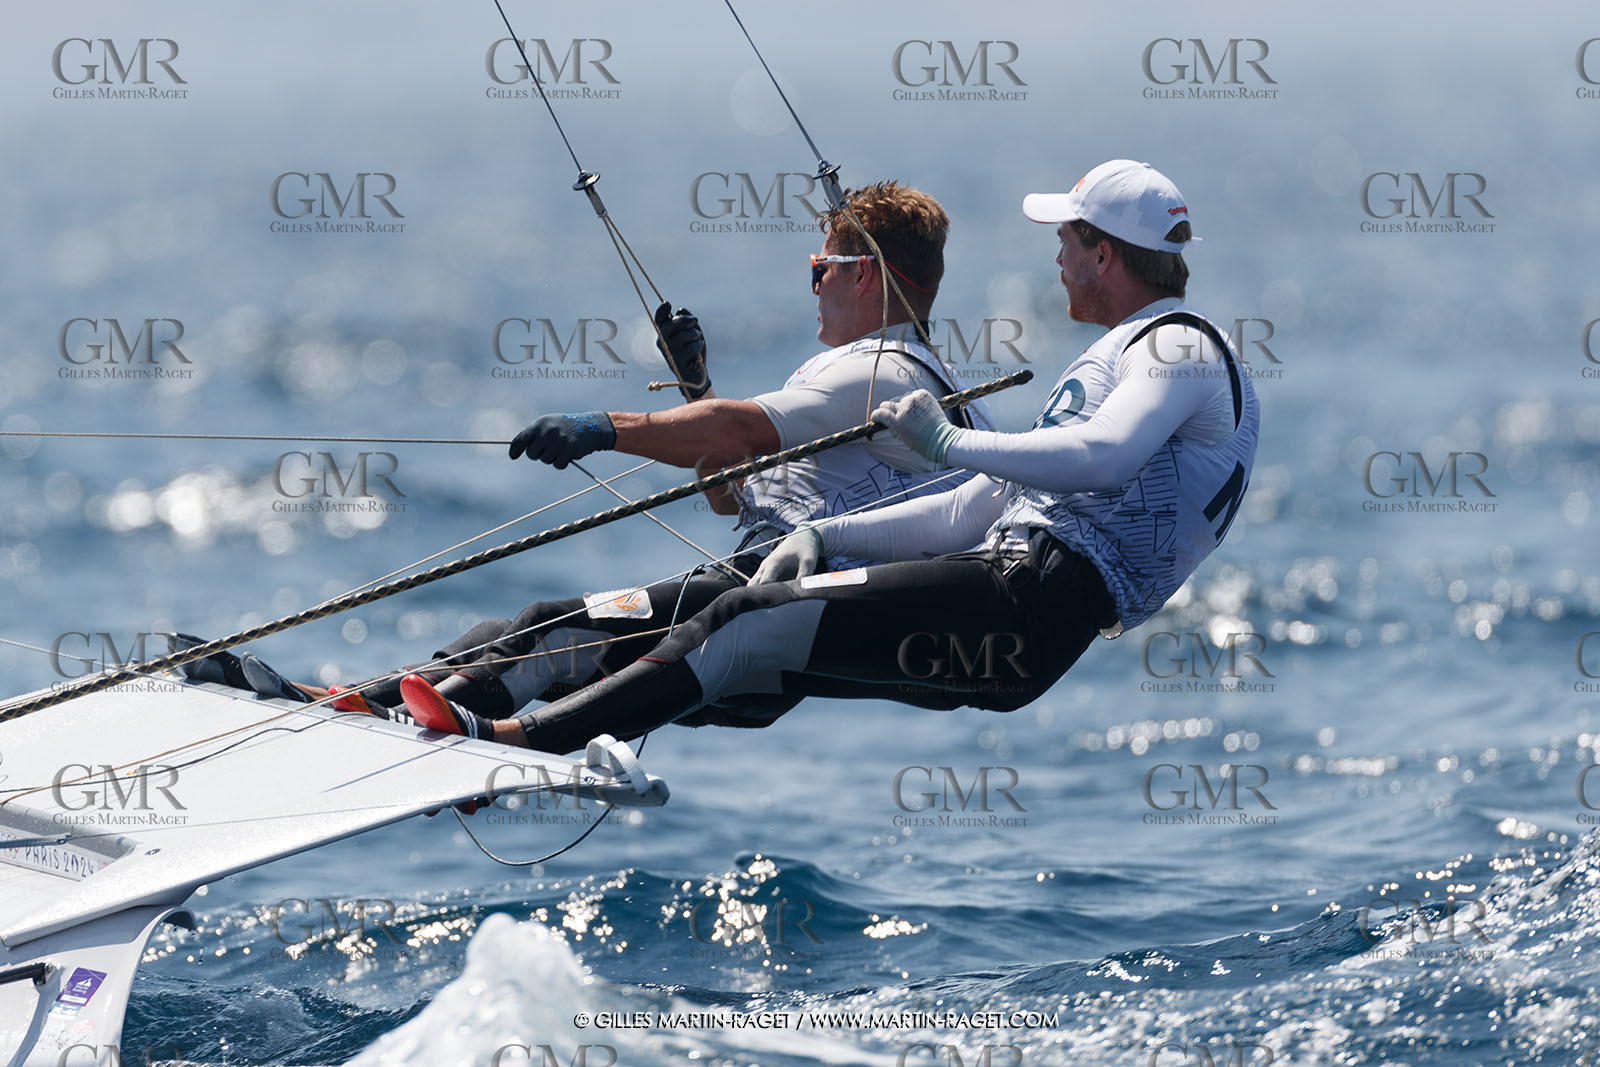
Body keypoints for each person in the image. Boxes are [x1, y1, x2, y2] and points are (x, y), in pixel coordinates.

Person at [397, 159, 1262, 752]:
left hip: (1033, 604)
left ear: (1105, 253)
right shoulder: (1130, 351)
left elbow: (1103, 457)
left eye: (1068, 241)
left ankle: (511, 742)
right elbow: (979, 506)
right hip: (1008, 593)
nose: (1058, 258)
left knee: (728, 621)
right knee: (667, 627)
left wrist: (950, 440)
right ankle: (397, 711)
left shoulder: (1180, 349)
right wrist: (830, 537)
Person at [235, 181, 994, 721]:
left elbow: (731, 435)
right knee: (509, 636)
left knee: (550, 629)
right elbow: (734, 490)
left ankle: (390, 734)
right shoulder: (906, 373)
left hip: (766, 618)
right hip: (757, 611)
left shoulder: (879, 373)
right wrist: (697, 386)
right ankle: (342, 706)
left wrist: (601, 427)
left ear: (864, 276)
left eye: (818, 268)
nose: (812, 285)